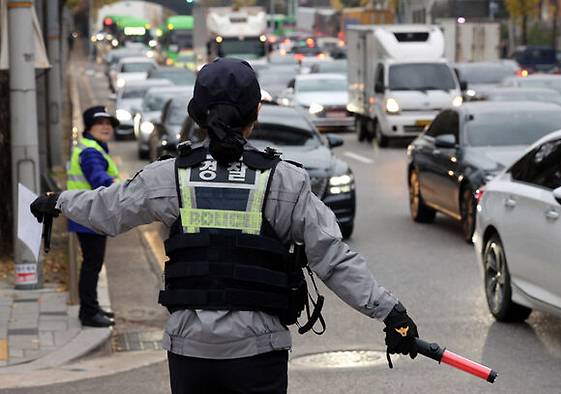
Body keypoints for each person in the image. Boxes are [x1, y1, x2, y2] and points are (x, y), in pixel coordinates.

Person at [30, 58, 419, 393]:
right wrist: (391, 314)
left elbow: (108, 210)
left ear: (196, 113)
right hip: (258, 353)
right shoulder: (284, 181)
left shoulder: (170, 176)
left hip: (189, 353)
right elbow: (332, 259)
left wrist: (58, 201)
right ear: (257, 112)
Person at [66, 106, 119, 328]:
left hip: (87, 214)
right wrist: (123, 187)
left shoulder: (94, 147)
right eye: (101, 123)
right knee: (91, 265)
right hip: (89, 215)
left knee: (92, 264)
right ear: (89, 126)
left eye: (109, 123)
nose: (106, 127)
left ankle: (92, 307)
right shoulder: (90, 151)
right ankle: (88, 313)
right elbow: (100, 179)